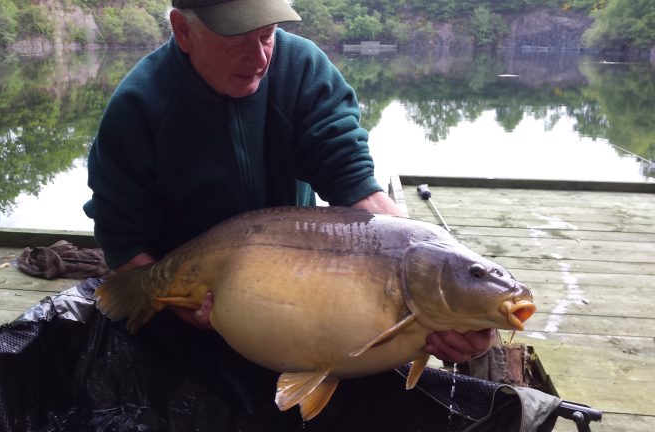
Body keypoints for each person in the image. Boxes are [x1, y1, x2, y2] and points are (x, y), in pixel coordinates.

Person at [84, 0, 493, 426]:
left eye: (267, 36)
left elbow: (356, 186)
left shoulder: (301, 69)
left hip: (299, 288)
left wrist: (443, 281)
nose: (259, 58)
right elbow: (122, 235)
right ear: (184, 31)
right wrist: (175, 306)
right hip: (193, 298)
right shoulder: (137, 106)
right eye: (237, 41)